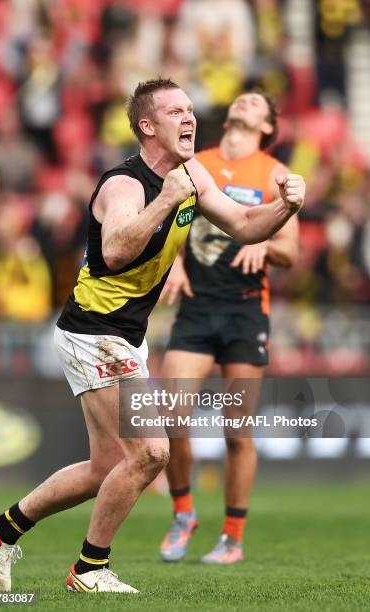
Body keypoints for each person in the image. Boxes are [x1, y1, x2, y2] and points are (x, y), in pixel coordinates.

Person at [0, 79, 305, 594]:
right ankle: (89, 569)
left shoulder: (192, 174)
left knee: (105, 464)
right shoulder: (123, 185)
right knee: (151, 452)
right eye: (176, 112)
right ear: (148, 127)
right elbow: (119, 250)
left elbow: (241, 222)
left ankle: (2, 528)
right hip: (94, 332)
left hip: (124, 336)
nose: (190, 119)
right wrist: (167, 198)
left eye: (191, 110)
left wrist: (286, 207)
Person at [159, 89, 299, 565]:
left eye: (256, 102)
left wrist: (269, 247)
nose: (242, 102)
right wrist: (171, 262)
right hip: (196, 309)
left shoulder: (275, 174)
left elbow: (291, 250)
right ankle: (183, 513)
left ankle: (233, 538)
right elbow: (172, 222)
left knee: (237, 431)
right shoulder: (197, 163)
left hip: (244, 311)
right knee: (172, 416)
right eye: (240, 98)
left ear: (267, 126)